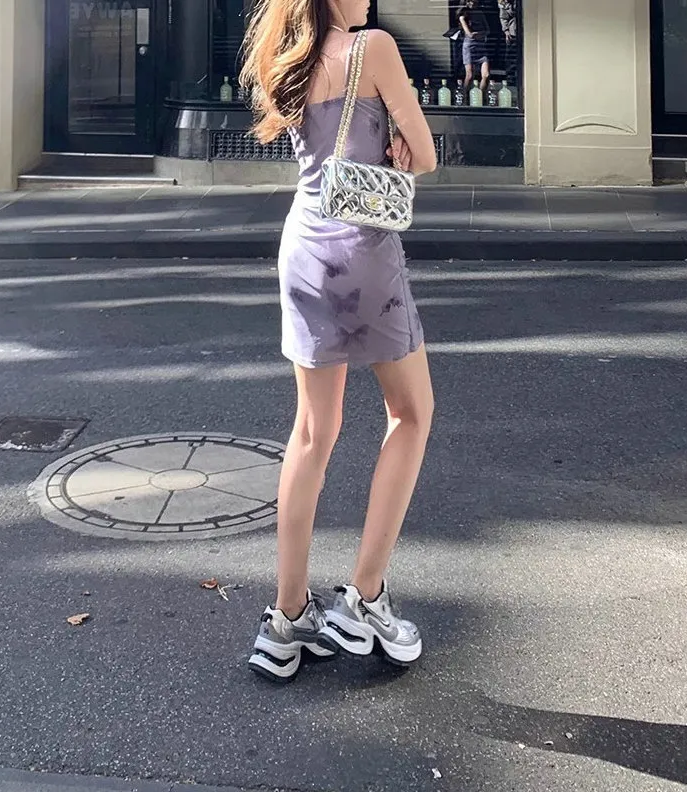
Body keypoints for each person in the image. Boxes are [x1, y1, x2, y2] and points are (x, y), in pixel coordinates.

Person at [239, 0, 437, 682]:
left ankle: (287, 619)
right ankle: (366, 597)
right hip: (363, 249)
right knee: (411, 414)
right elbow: (425, 156)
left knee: (311, 433)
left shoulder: (284, 57)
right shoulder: (372, 48)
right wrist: (401, 144)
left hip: (303, 248)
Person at [458, 0, 490, 94]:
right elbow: (470, 34)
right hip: (469, 47)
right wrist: (481, 34)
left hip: (481, 46)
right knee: (470, 75)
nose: (474, 3)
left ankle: (480, 96)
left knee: (486, 75)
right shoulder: (463, 17)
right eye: (471, 1)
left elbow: (487, 30)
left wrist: (478, 34)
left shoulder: (480, 13)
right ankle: (464, 96)